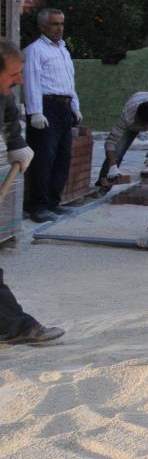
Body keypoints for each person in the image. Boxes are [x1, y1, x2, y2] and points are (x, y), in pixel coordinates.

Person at [0, 39, 64, 345]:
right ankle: (17, 327)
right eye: (13, 74)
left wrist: (16, 145)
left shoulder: (4, 95)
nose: (20, 81)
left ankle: (15, 327)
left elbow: (11, 116)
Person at [22, 7, 81, 223]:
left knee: (62, 157)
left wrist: (75, 105)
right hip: (46, 107)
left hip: (64, 107)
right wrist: (35, 111)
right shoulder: (35, 50)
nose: (59, 28)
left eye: (62, 23)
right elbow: (31, 82)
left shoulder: (63, 50)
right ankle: (37, 206)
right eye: (55, 24)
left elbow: (69, 82)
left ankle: (53, 203)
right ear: (42, 26)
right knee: (43, 158)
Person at [97, 91, 148, 188]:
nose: (145, 128)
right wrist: (112, 166)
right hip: (132, 126)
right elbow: (111, 141)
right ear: (136, 117)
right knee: (117, 152)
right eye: (142, 124)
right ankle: (103, 185)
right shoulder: (127, 115)